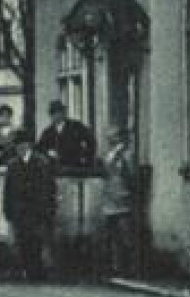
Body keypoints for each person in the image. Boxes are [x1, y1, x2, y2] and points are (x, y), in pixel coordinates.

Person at [3, 131, 58, 280]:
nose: (19, 149)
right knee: (23, 241)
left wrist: (48, 208)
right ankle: (28, 270)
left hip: (36, 209)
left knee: (36, 240)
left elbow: (48, 187)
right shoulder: (12, 164)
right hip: (19, 210)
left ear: (29, 146)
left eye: (22, 145)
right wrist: (7, 210)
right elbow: (8, 189)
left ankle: (37, 271)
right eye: (17, 146)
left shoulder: (41, 162)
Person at [100, 127, 138, 277]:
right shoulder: (109, 154)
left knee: (125, 233)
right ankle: (117, 266)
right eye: (108, 135)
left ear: (120, 137)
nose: (109, 137)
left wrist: (128, 192)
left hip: (122, 197)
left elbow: (130, 175)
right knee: (113, 234)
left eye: (113, 135)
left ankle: (130, 268)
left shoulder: (126, 154)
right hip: (110, 196)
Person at [36, 99, 97, 170]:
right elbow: (40, 148)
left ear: (63, 113)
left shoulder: (76, 127)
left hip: (76, 167)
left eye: (59, 112)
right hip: (55, 169)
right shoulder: (48, 132)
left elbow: (91, 141)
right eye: (53, 113)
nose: (56, 116)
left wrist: (85, 158)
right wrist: (47, 155)